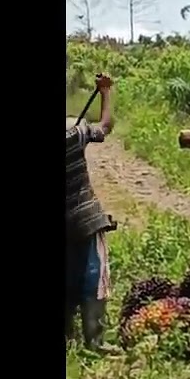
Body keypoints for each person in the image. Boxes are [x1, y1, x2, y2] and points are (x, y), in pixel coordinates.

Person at [66, 74, 119, 352]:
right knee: (93, 275)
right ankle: (95, 341)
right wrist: (106, 92)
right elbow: (106, 126)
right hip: (84, 219)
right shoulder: (73, 135)